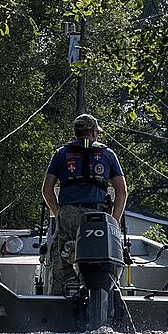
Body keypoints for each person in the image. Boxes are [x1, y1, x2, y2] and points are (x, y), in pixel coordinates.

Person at [41, 113, 127, 296]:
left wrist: (59, 213)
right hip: (99, 217)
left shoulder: (61, 154)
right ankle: (106, 298)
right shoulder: (108, 154)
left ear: (75, 133)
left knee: (63, 261)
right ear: (94, 133)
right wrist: (114, 222)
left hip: (69, 214)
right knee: (103, 260)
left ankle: (61, 301)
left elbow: (47, 190)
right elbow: (122, 191)